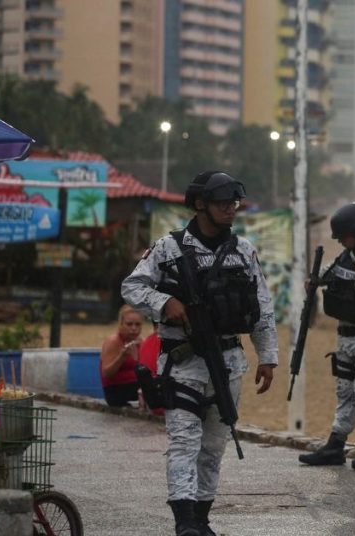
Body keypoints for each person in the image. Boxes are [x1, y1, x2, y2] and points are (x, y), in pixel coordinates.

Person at [122, 171, 278, 536]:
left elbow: (263, 307)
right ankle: (185, 522)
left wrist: (267, 356)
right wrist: (165, 302)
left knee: (213, 447)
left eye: (234, 202)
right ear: (200, 204)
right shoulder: (169, 248)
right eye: (222, 202)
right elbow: (132, 286)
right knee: (183, 442)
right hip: (183, 363)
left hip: (228, 363)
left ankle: (202, 519)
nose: (230, 208)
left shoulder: (243, 250)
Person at [299, 203, 355, 471]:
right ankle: (336, 445)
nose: (341, 241)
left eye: (344, 236)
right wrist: (314, 280)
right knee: (344, 392)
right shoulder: (346, 257)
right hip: (345, 338)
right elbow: (327, 274)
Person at [99, 305, 144, 407]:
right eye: (129, 324)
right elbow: (106, 373)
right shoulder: (114, 342)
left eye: (137, 324)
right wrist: (121, 357)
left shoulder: (140, 342)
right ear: (121, 324)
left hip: (135, 386)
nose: (134, 328)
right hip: (116, 390)